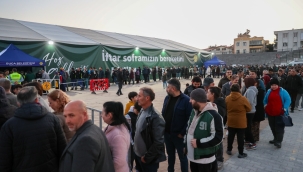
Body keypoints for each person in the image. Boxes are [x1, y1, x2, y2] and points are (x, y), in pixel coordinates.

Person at [0, 86, 67, 172]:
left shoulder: (9, 126)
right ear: (36, 100)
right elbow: (62, 149)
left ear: (18, 103)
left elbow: (4, 160)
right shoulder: (53, 119)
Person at [59, 100, 114, 172]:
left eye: (71, 115)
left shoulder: (85, 140)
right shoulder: (94, 129)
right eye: (65, 116)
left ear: (84, 115)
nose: (67, 121)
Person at [185, 88, 223, 172]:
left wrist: (199, 143)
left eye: (192, 99)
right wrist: (185, 145)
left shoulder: (214, 116)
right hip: (193, 157)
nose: (189, 101)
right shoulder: (194, 112)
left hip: (205, 159)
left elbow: (218, 137)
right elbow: (188, 130)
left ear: (198, 100)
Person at [162, 79, 192, 172]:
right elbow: (164, 114)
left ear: (173, 88)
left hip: (179, 136)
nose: (166, 89)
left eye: (168, 87)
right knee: (170, 156)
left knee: (183, 157)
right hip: (167, 134)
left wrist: (182, 133)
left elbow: (189, 119)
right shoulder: (167, 98)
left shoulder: (187, 100)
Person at [134, 87, 166, 171]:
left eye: (139, 96)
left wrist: (147, 157)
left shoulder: (155, 117)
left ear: (147, 98)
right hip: (138, 156)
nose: (137, 99)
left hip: (148, 160)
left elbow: (158, 142)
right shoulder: (142, 111)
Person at [102, 101, 131, 172]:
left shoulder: (118, 135)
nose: (101, 115)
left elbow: (119, 162)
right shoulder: (114, 127)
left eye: (102, 113)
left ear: (109, 115)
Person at [225, 84, 251, 158]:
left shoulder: (227, 98)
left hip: (231, 120)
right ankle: (240, 153)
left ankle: (229, 150)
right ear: (239, 89)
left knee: (230, 136)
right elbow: (249, 108)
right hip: (241, 121)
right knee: (240, 138)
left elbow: (225, 108)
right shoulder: (243, 99)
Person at [263, 78, 291, 148]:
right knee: (272, 127)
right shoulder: (269, 91)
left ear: (278, 85)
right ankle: (275, 138)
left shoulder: (283, 91)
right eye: (272, 85)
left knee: (279, 128)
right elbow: (265, 100)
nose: (274, 86)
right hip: (270, 113)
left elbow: (288, 100)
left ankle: (279, 141)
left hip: (280, 113)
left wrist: (284, 108)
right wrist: (265, 106)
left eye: (275, 85)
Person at [206, 86, 226, 169]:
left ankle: (219, 160)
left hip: (217, 129)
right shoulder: (210, 102)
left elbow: (219, 117)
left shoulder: (219, 104)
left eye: (208, 92)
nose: (206, 94)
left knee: (218, 143)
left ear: (213, 94)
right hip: (210, 128)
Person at [126, 102, 142, 172]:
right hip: (131, 141)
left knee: (138, 158)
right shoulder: (128, 117)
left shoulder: (141, 114)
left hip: (138, 141)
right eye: (137, 111)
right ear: (134, 109)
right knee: (131, 158)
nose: (138, 113)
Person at [243, 77, 258, 150]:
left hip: (249, 111)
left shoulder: (250, 90)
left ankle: (253, 142)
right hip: (251, 110)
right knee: (247, 127)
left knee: (247, 127)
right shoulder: (252, 89)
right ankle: (248, 140)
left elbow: (249, 102)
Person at [251, 78, 265, 143]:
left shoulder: (260, 91)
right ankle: (251, 138)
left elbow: (258, 101)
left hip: (257, 110)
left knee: (256, 125)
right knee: (251, 125)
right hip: (252, 110)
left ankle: (255, 138)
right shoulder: (250, 89)